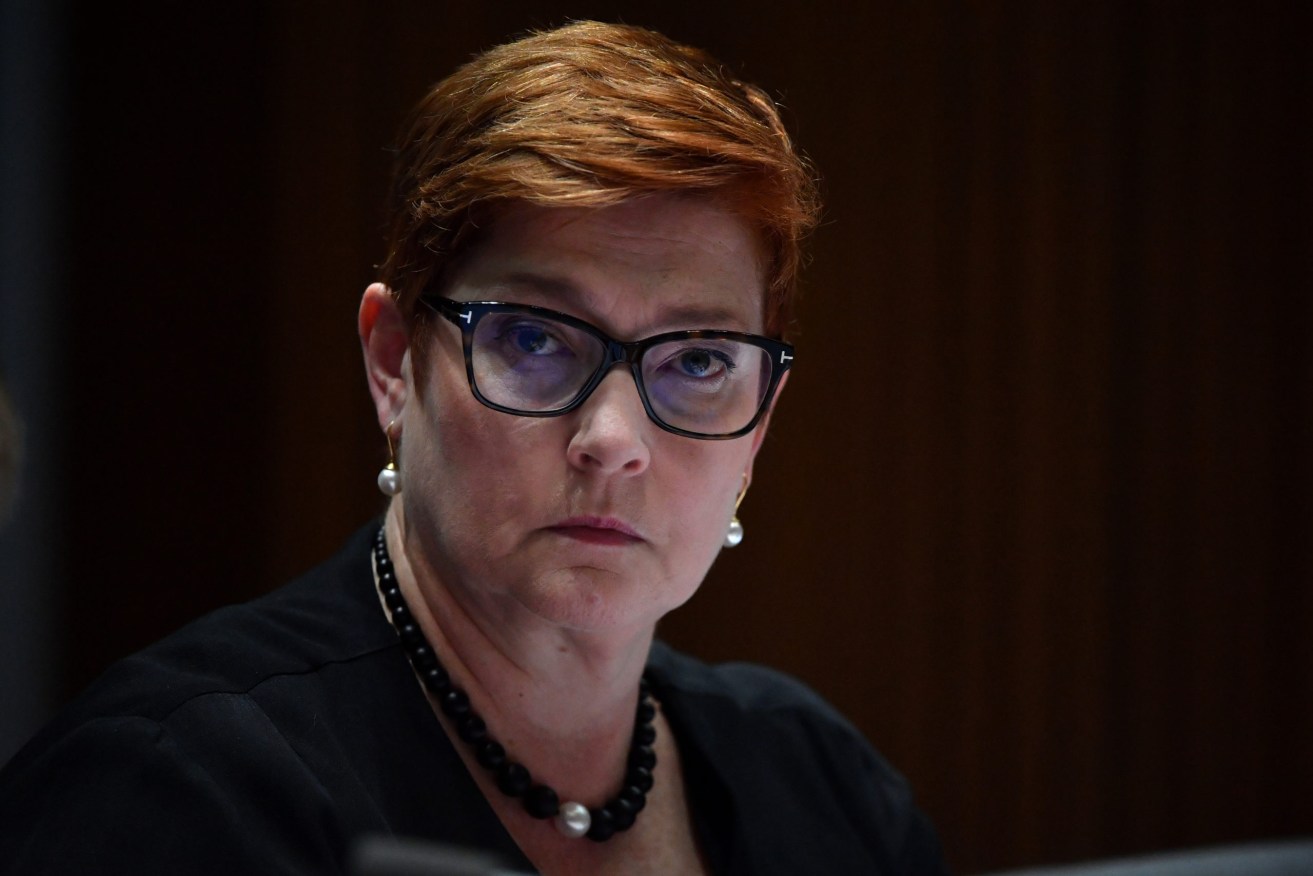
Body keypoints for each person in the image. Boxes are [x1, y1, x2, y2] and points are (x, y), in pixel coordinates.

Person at [0, 21, 948, 875]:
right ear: (391, 363)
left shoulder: (824, 786)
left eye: (698, 360)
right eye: (534, 339)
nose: (612, 440)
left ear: (763, 418)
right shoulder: (168, 787)